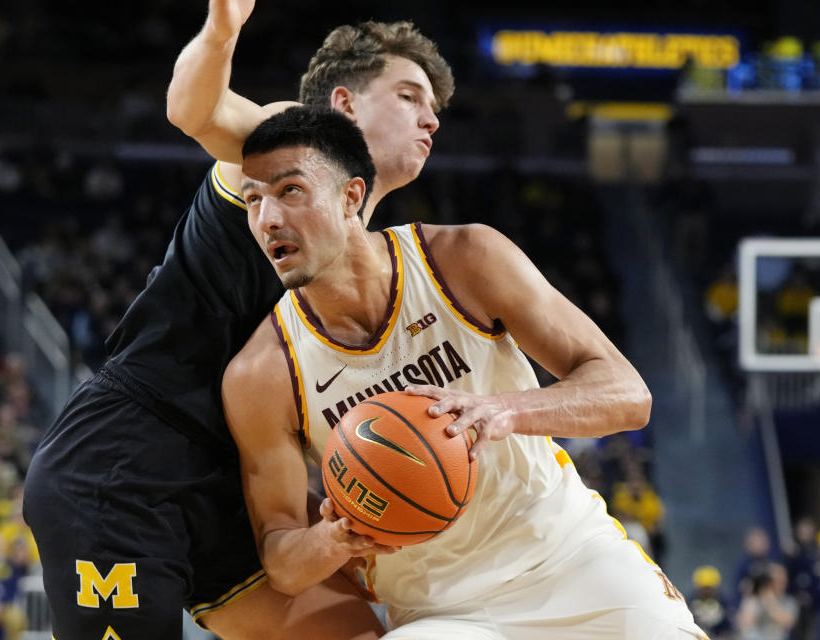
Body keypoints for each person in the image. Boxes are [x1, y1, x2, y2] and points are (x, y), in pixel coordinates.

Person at [22, 1, 454, 638]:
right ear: (345, 105)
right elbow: (194, 111)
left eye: (436, 109)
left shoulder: (371, 248)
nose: (430, 118)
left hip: (231, 482)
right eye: (410, 95)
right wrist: (222, 27)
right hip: (126, 462)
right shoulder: (289, 146)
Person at [223, 106, 708, 639]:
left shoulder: (462, 259)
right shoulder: (262, 373)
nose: (267, 218)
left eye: (289, 191)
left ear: (351, 197)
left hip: (572, 558)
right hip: (440, 614)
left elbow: (627, 396)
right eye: (252, 199)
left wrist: (504, 410)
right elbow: (282, 561)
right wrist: (335, 539)